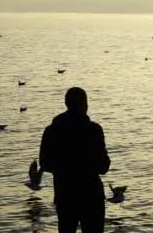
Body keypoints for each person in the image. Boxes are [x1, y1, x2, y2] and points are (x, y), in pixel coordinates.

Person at [39, 87, 111, 233]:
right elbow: (103, 167)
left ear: (66, 104)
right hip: (91, 195)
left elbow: (45, 164)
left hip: (64, 194)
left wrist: (63, 167)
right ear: (84, 104)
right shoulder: (94, 130)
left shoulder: (52, 130)